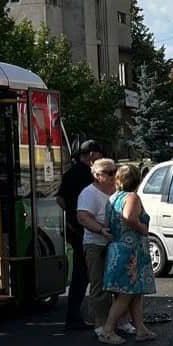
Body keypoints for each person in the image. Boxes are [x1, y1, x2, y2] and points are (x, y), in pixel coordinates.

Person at [100, 164, 157, 344]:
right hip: (130, 251)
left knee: (135, 292)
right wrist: (143, 229)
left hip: (118, 247)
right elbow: (129, 217)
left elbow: (109, 221)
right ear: (137, 180)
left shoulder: (113, 197)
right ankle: (107, 330)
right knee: (125, 294)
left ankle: (140, 329)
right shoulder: (132, 197)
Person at [57, 139, 103, 329]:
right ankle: (94, 317)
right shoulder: (89, 176)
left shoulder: (69, 173)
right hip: (88, 230)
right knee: (90, 274)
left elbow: (59, 199)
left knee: (80, 273)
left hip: (73, 228)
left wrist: (70, 214)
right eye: (99, 155)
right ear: (92, 154)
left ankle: (73, 314)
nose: (100, 159)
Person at [77, 157, 118, 336]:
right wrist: (101, 230)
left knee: (120, 285)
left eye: (115, 171)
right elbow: (83, 217)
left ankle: (121, 321)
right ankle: (100, 324)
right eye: (109, 172)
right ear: (97, 175)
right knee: (99, 285)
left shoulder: (117, 190)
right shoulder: (89, 193)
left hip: (116, 244)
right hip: (96, 243)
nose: (113, 175)